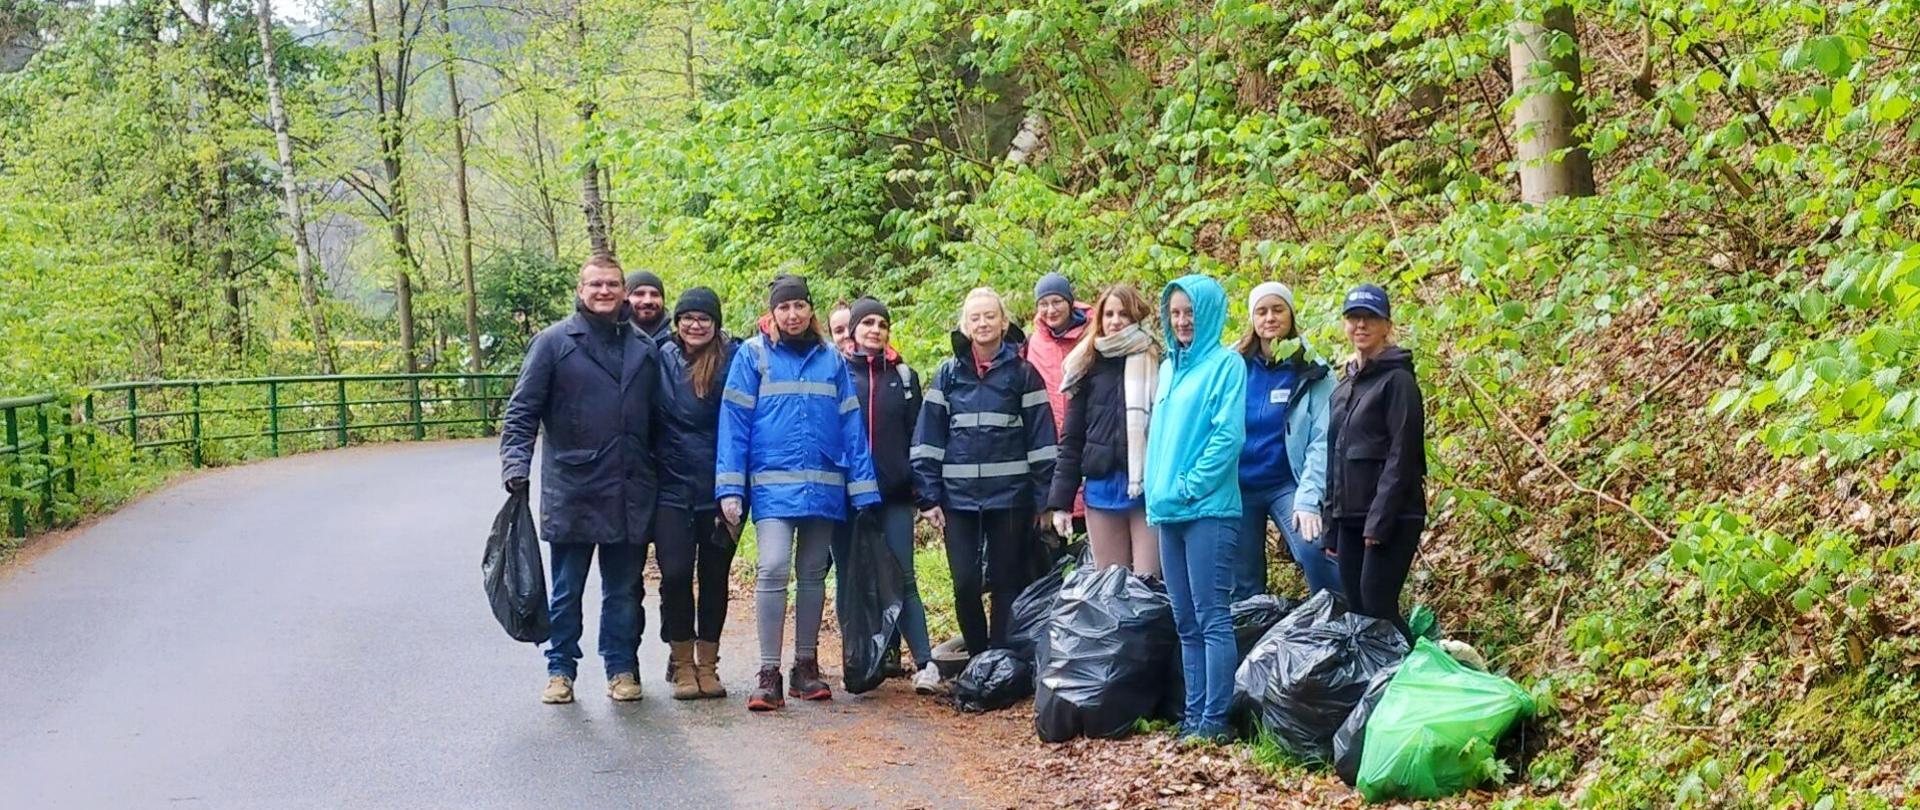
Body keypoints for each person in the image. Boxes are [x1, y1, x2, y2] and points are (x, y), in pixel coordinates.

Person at [717, 273, 882, 711]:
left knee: (812, 573)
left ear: (811, 310)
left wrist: (865, 490)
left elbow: (851, 425)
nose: (792, 314)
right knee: (771, 568)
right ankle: (768, 671)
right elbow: (733, 424)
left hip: (825, 484)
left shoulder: (832, 359)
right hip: (771, 487)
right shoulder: (753, 356)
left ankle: (804, 667)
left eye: (799, 306)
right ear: (772, 313)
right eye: (783, 307)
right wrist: (730, 486)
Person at [500, 256, 660, 705]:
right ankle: (560, 669)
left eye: (612, 284)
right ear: (580, 287)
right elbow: (521, 412)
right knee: (567, 588)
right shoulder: (553, 343)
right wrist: (515, 466)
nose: (604, 291)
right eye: (596, 284)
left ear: (624, 290)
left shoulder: (643, 348)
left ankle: (622, 667)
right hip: (573, 487)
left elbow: (661, 422)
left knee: (625, 589)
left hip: (631, 488)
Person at [912, 288, 1058, 659]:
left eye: (990, 316)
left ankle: (1001, 659)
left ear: (1004, 322)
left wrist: (1045, 501)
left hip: (1010, 498)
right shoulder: (947, 375)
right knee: (964, 583)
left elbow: (1042, 443)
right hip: (957, 501)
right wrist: (928, 497)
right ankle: (978, 657)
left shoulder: (1024, 375)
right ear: (964, 324)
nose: (982, 324)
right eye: (975, 317)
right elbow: (927, 440)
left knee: (1007, 582)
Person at [1145, 274, 1246, 742]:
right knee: (1185, 619)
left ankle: (1214, 720)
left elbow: (1228, 436)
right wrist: (1159, 490)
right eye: (1176, 312)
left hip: (1208, 511)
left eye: (1191, 312)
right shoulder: (1168, 368)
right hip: (1168, 511)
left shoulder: (1227, 366)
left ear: (1209, 314)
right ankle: (1192, 718)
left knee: (1211, 616)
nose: (1183, 321)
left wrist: (1189, 484)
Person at [833, 296, 941, 694]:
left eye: (882, 324)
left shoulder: (905, 376)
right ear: (854, 330)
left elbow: (919, 436)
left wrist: (924, 494)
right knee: (849, 578)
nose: (875, 330)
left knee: (904, 577)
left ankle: (926, 662)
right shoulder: (837, 372)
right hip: (846, 497)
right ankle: (856, 659)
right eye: (868, 324)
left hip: (894, 495)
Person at [1325, 284, 1426, 642]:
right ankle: (1380, 690)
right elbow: (1333, 453)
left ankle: (1418, 679)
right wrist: (1330, 523)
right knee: (1358, 611)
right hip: (1350, 517)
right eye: (1353, 318)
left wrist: (1378, 523)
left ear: (1387, 325)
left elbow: (1404, 455)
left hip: (1392, 517)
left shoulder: (1398, 381)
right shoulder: (1344, 385)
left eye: (1370, 318)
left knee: (1378, 607)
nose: (1361, 325)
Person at [651, 287, 737, 700]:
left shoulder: (734, 359)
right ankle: (682, 663)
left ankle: (708, 664)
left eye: (704, 317)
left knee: (715, 577)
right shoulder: (658, 357)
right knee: (676, 576)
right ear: (677, 321)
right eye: (688, 317)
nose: (696, 324)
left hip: (723, 488)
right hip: (670, 486)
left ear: (716, 322)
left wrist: (735, 485)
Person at [1234, 281, 1338, 601]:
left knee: (1312, 548)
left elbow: (1323, 439)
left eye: (1278, 309)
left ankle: (1338, 619)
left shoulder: (1312, 369)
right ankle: (1254, 639)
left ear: (1291, 315)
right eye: (1261, 311)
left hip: (1286, 483)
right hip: (1237, 486)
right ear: (1252, 319)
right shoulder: (1232, 365)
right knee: (1243, 581)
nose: (1270, 318)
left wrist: (1309, 499)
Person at [1047, 284, 1159, 575]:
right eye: (1108, 314)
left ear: (1137, 317)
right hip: (1101, 490)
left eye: (1123, 314)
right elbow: (1071, 441)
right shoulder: (1087, 365)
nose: (1115, 321)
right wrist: (1061, 503)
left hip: (1147, 490)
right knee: (1110, 589)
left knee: (1149, 584)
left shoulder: (1158, 360)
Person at [1023, 272, 1090, 525]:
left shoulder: (1093, 336)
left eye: (1057, 302)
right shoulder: (1033, 342)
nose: (1051, 310)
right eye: (1044, 304)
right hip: (1046, 440)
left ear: (1070, 302)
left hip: (1086, 437)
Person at [626, 270, 671, 346]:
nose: (648, 301)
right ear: (624, 298)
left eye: (655, 294)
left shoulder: (679, 345)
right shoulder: (612, 341)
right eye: (639, 294)